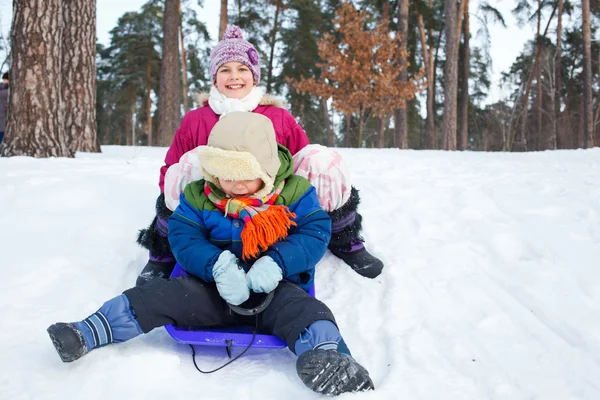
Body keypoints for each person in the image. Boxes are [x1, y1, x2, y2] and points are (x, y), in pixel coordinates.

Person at [47, 113, 374, 396]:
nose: (234, 185)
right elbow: (183, 235)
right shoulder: (198, 194)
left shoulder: (295, 192)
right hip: (211, 286)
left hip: (275, 288)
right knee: (158, 296)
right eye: (225, 174)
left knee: (307, 312)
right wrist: (215, 265)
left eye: (245, 174)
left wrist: (278, 262)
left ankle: (329, 359)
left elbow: (315, 232)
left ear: (267, 166)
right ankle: (89, 331)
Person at [136, 25, 383, 286]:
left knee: (320, 159)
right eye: (225, 70)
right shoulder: (196, 120)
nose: (234, 77)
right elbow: (170, 174)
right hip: (214, 203)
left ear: (254, 77)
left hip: (273, 203)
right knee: (186, 164)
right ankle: (165, 249)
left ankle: (342, 236)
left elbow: (302, 163)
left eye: (242, 69)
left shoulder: (278, 116)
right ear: (214, 78)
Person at [0, 72, 8, 145]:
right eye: (4, 79)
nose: (4, 81)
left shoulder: (7, 91)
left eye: (6, 79)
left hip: (4, 114)